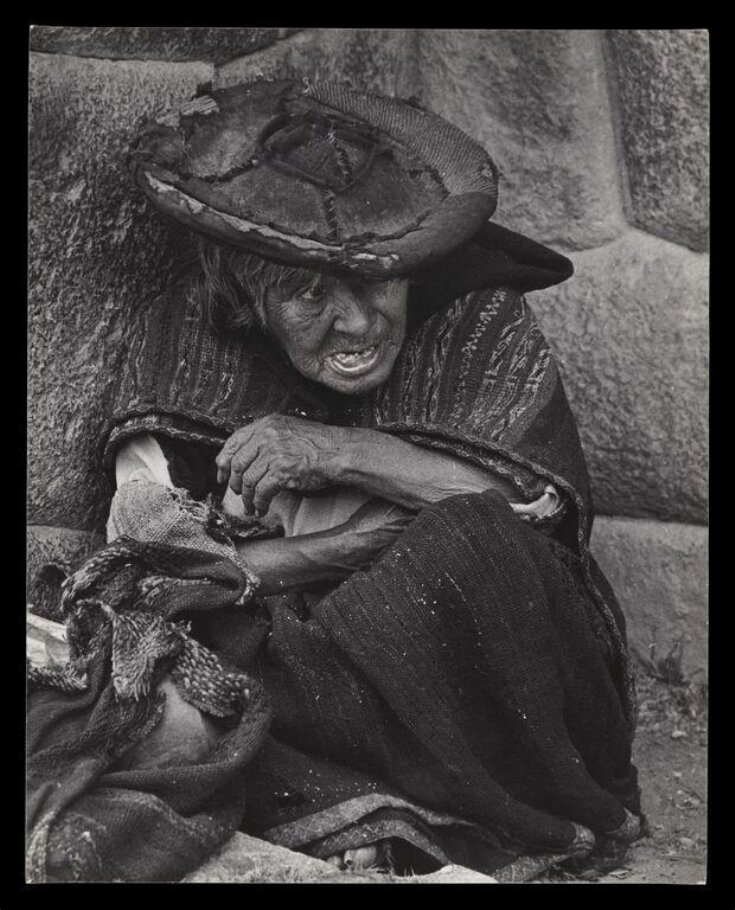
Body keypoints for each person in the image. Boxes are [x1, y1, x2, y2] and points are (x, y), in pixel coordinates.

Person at [27, 78, 642, 882]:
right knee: (188, 652)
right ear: (247, 296)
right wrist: (349, 547)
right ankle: (381, 809)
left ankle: (470, 812)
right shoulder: (188, 338)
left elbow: (528, 512)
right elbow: (153, 571)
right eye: (309, 293)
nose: (355, 323)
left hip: (478, 674)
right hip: (302, 664)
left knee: (474, 547)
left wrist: (334, 452)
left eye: (376, 282)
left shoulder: (474, 316)